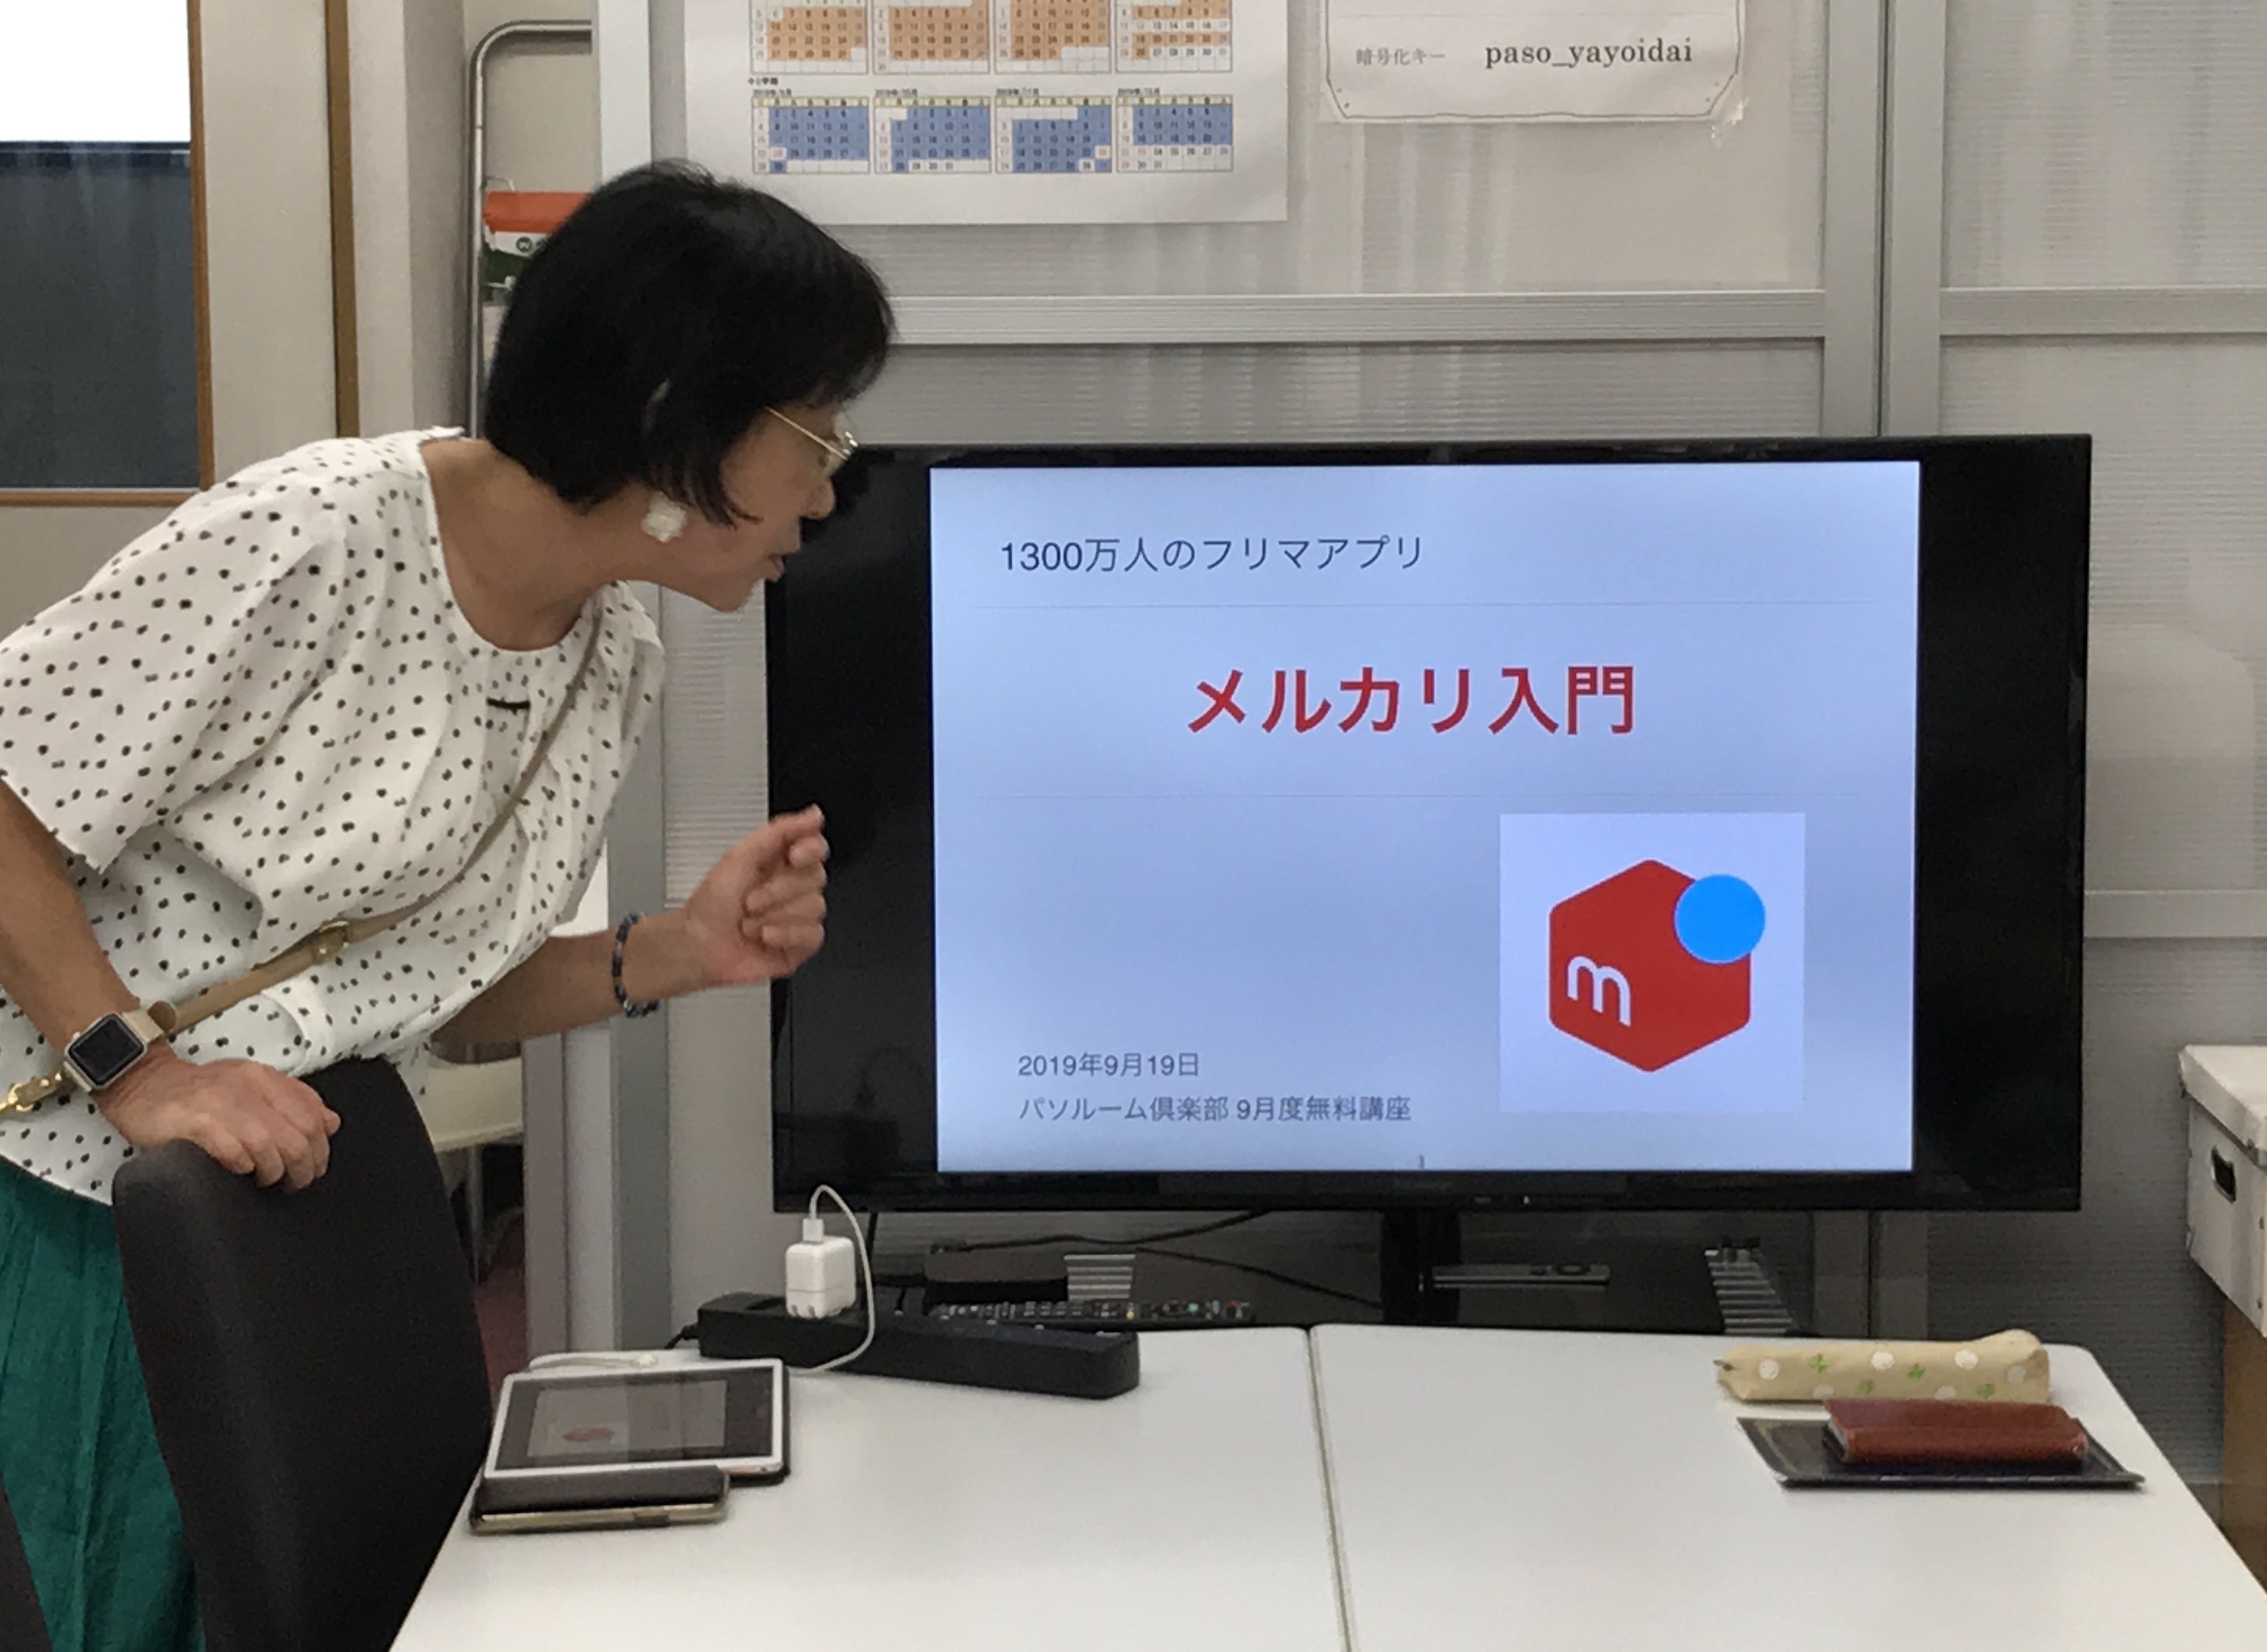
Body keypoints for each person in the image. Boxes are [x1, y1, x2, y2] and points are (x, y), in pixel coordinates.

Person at [0, 161, 891, 1652]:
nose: (827, 487)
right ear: (674, 417)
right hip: (85, 1203)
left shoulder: (610, 652)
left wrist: (678, 951)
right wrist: (138, 1072)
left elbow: (427, 994)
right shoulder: (314, 536)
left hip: (305, 1194)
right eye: (813, 435)